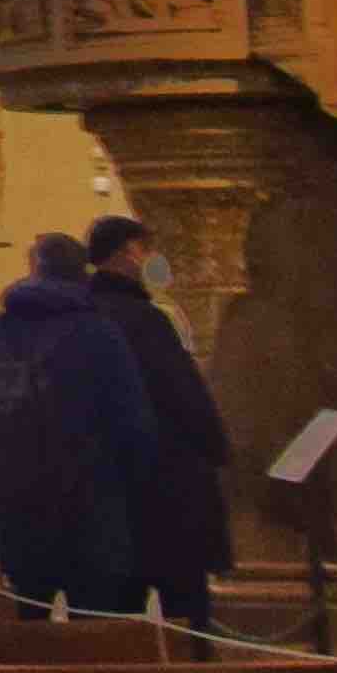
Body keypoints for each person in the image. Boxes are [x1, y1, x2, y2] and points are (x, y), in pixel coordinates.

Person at [0, 233, 155, 618]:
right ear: (83, 275)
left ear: (34, 270)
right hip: (92, 505)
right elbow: (134, 423)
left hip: (20, 504)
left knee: (28, 626)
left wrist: (1, 468)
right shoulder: (100, 334)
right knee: (95, 632)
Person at [83, 213, 236, 631]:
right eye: (146, 250)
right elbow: (182, 395)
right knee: (185, 612)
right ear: (129, 252)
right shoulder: (142, 319)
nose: (151, 259)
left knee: (116, 628)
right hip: (164, 487)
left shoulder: (83, 317)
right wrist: (217, 447)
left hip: (103, 496)